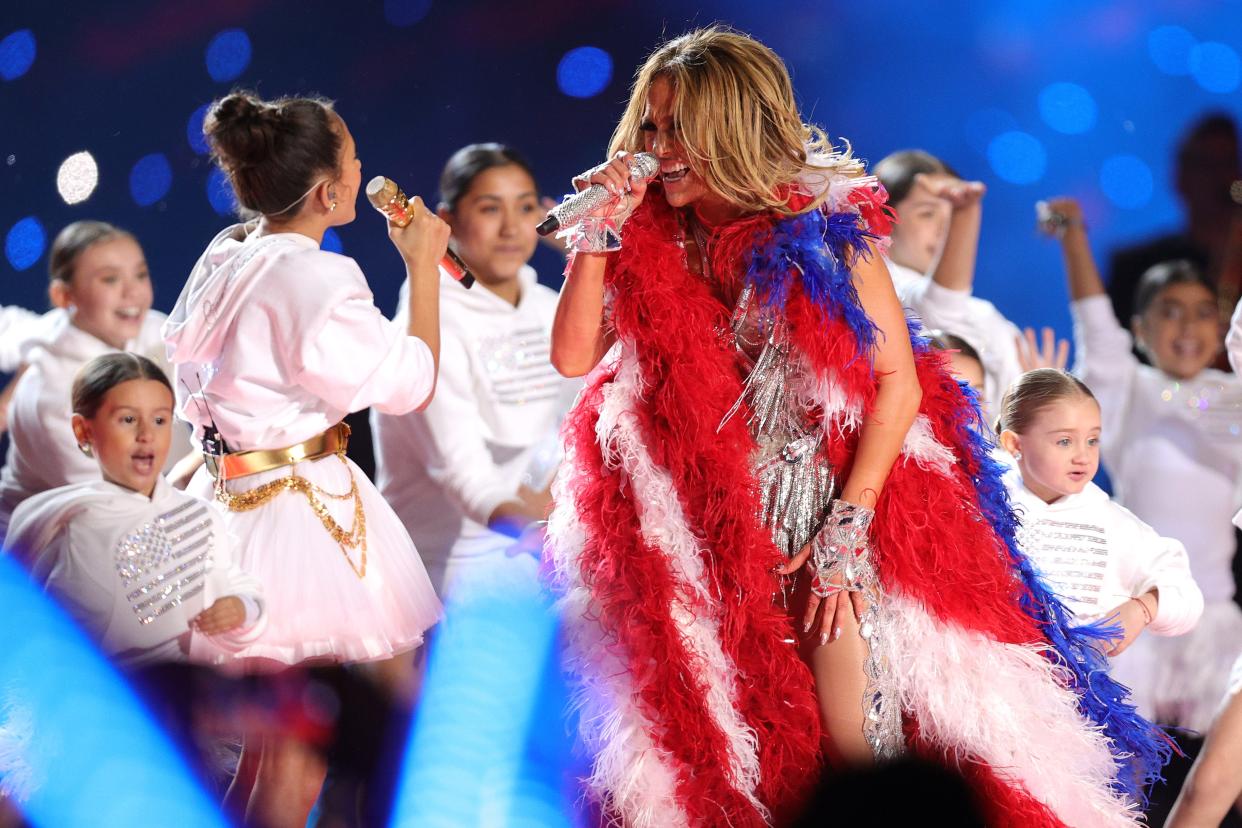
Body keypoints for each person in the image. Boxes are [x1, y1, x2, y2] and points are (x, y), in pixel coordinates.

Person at [545, 26, 1165, 828]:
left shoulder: (828, 227)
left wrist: (849, 523)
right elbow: (572, 357)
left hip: (822, 508)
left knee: (853, 744)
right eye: (650, 128)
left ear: (728, 129)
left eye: (676, 130)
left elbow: (897, 382)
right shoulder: (649, 230)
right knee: (725, 743)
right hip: (697, 522)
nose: (659, 149)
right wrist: (599, 233)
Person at [163, 91, 447, 827]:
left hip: (235, 504)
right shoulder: (316, 278)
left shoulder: (226, 254)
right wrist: (422, 267)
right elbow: (409, 383)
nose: (362, 170)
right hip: (297, 516)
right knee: (292, 756)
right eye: (353, 162)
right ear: (328, 192)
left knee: (266, 751)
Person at [1040, 196, 1242, 735]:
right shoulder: (1129, 389)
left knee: (1222, 777)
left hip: (1215, 618)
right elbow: (1097, 331)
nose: (1187, 325)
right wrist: (1074, 235)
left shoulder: (1232, 398)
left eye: (1202, 312)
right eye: (1169, 311)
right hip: (1137, 613)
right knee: (1129, 773)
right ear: (1140, 327)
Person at [372, 143, 576, 597]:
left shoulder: (547, 309)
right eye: (489, 209)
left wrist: (581, 259)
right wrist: (539, 532)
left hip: (537, 555)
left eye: (525, 208)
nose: (511, 228)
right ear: (446, 221)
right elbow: (463, 471)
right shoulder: (426, 325)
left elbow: (577, 422)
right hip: (444, 577)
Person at [4, 353, 265, 668]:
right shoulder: (76, 529)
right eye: (128, 419)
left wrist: (243, 607)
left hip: (199, 693)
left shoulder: (200, 514)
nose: (146, 434)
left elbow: (229, 578)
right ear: (84, 431)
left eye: (160, 420)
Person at [997, 368, 1202, 655]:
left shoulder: (1109, 523)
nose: (1083, 455)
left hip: (1069, 690)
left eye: (1092, 440)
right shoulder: (980, 501)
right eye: (1064, 441)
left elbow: (1186, 594)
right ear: (1014, 443)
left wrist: (1142, 608)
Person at [0, 221, 184, 537]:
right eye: (110, 279)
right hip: (52, 542)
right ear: (63, 295)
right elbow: (107, 505)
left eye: (140, 274)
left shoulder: (155, 332)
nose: (133, 292)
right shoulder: (51, 391)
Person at [874, 150, 1022, 417]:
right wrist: (966, 211)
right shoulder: (878, 294)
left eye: (952, 213)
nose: (945, 229)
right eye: (928, 214)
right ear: (883, 219)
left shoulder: (984, 314)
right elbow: (941, 304)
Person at [1107, 113, 1240, 329]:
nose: (1221, 177)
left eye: (1228, 163)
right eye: (1206, 165)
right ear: (1180, 178)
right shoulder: (1134, 268)